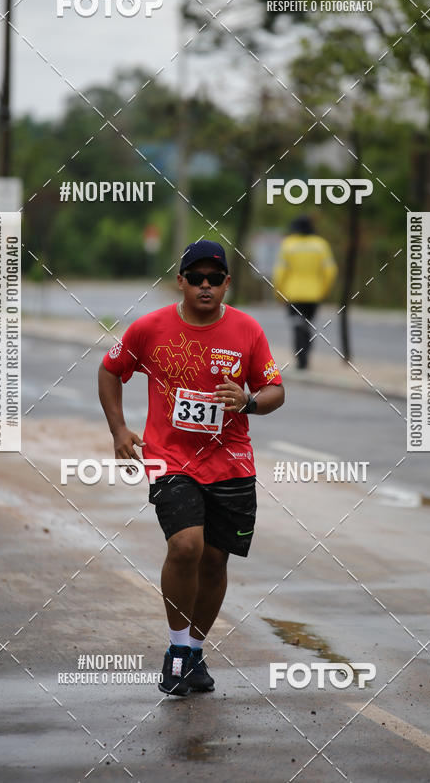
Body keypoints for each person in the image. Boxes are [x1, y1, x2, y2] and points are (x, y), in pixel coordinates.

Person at [98, 240, 285, 697]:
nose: (206, 285)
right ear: (179, 281)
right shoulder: (149, 328)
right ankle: (177, 651)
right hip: (171, 458)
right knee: (186, 547)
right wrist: (119, 430)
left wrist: (248, 401)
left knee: (216, 560)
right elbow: (109, 370)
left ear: (226, 284)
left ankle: (196, 650)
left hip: (232, 462)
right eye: (196, 278)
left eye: (214, 278)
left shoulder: (248, 331)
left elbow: (275, 390)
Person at [272, 215, 337, 370]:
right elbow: (330, 271)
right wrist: (324, 289)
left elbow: (280, 272)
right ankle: (306, 355)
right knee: (308, 324)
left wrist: (278, 292)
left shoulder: (288, 245)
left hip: (293, 293)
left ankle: (301, 358)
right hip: (314, 294)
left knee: (297, 325)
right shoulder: (321, 245)